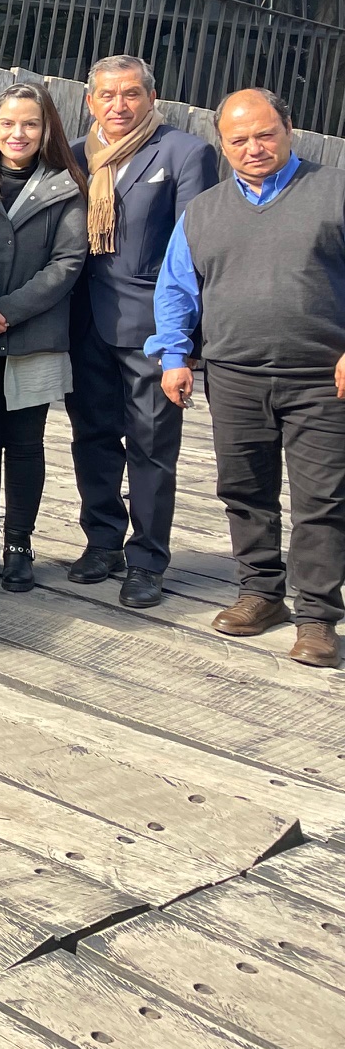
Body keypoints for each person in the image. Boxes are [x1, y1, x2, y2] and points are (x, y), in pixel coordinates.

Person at [151, 88, 345, 667]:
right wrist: (173, 357)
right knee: (243, 490)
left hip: (321, 378)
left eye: (265, 134)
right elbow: (176, 291)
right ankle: (261, 593)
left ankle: (316, 617)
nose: (253, 147)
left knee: (323, 498)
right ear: (223, 143)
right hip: (233, 375)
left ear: (290, 130)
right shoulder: (204, 210)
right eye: (239, 139)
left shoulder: (335, 191)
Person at [65, 54, 218, 609]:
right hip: (84, 324)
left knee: (152, 448)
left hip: (152, 327)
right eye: (107, 95)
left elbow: (195, 251)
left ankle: (148, 558)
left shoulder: (185, 153)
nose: (119, 105)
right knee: (93, 439)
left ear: (152, 98)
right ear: (90, 102)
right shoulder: (78, 155)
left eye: (131, 94)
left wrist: (186, 342)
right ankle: (102, 541)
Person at [0, 85, 89, 596]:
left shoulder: (68, 185)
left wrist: (3, 314)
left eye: (30, 124)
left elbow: (68, 264)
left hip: (34, 335)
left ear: (46, 128)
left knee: (26, 444)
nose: (18, 134)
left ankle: (20, 545)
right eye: (8, 123)